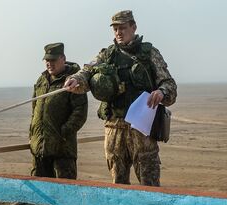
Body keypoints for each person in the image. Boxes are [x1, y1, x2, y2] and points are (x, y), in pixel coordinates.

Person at [64, 10, 177, 186]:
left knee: (150, 184)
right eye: (115, 28)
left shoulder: (149, 54)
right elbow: (86, 71)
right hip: (114, 127)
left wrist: (161, 92)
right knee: (118, 184)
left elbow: (169, 85)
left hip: (141, 129)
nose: (119, 32)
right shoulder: (106, 55)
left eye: (123, 28)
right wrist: (75, 79)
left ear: (133, 27)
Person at [29, 43, 88, 179]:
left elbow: (80, 112)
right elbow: (35, 110)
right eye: (47, 60)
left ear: (63, 58)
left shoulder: (72, 82)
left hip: (62, 151)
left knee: (65, 193)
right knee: (40, 194)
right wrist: (32, 136)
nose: (49, 63)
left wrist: (63, 133)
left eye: (53, 60)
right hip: (39, 149)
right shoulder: (41, 81)